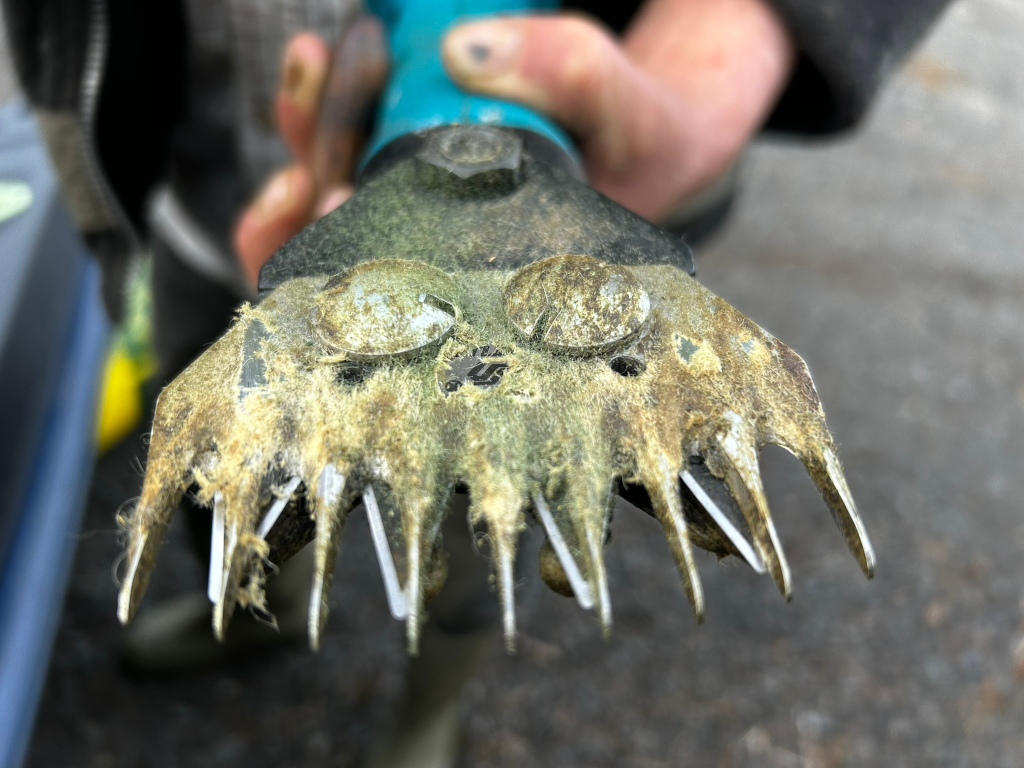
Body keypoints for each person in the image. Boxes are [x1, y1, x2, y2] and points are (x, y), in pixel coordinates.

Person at [3, 0, 952, 765]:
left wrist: (754, 21)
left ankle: (428, 711)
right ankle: (256, 604)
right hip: (197, 202)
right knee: (235, 448)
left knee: (471, 500)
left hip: (528, 258)